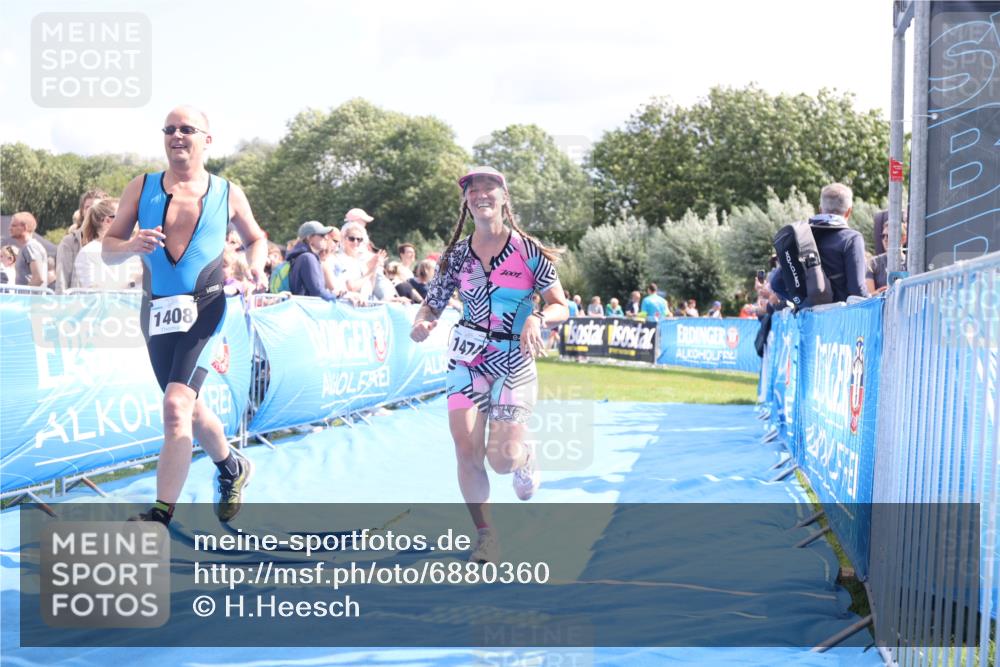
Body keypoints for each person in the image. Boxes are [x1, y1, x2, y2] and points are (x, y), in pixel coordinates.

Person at [102, 105, 267, 525]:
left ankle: (160, 514)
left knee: (176, 406)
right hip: (156, 312)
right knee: (187, 409)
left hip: (207, 310)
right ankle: (232, 466)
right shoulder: (141, 187)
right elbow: (108, 247)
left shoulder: (227, 192)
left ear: (206, 139)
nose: (177, 135)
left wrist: (256, 266)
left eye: (187, 129)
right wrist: (131, 244)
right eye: (170, 129)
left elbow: (256, 238)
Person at [409, 166, 568, 563]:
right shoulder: (457, 255)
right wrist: (423, 320)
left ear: (504, 197)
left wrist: (538, 318)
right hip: (467, 360)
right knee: (466, 449)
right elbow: (434, 300)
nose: (480, 194)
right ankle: (485, 536)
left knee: (502, 459)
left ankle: (525, 456)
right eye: (472, 189)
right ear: (466, 201)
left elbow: (560, 305)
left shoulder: (528, 251)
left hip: (514, 358)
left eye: (488, 188)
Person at [770, 182, 869, 303]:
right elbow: (857, 290)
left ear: (820, 209)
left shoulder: (803, 237)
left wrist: (802, 303)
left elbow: (776, 282)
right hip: (842, 317)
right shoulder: (852, 238)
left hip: (811, 317)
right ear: (849, 211)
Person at [74, 198, 143, 289]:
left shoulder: (131, 247)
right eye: (123, 216)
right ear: (107, 221)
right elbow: (96, 291)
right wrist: (134, 280)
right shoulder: (88, 253)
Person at [287, 220, 341, 301]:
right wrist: (337, 296)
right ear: (309, 238)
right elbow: (318, 292)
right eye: (322, 235)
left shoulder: (300, 256)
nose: (326, 238)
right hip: (305, 309)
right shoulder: (308, 258)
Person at [332, 221, 385, 302]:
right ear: (343, 239)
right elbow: (351, 287)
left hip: (363, 304)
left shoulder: (359, 262)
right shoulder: (339, 259)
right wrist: (370, 272)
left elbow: (370, 287)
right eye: (351, 239)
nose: (355, 242)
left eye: (359, 239)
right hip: (347, 305)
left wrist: (375, 267)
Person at [866, 223, 907, 294]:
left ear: (903, 239)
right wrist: (878, 294)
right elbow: (869, 296)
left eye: (889, 236)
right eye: (883, 236)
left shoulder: (911, 264)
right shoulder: (874, 263)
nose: (885, 239)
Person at [9, 212, 47, 287]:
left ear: (25, 227)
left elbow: (38, 278)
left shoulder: (30, 246)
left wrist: (25, 296)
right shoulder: (28, 247)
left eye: (14, 225)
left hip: (31, 298)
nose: (9, 228)